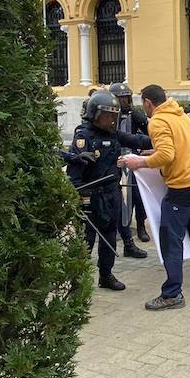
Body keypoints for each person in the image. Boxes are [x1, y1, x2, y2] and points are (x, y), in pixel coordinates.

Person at [120, 85, 190, 310]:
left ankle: (172, 294)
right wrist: (154, 152)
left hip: (183, 185)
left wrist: (139, 162)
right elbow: (180, 147)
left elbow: (168, 154)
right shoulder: (181, 115)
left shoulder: (158, 121)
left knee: (171, 237)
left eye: (143, 103)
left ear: (148, 102)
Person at [66, 91, 154, 290]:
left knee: (109, 237)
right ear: (95, 114)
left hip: (111, 193)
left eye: (113, 116)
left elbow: (137, 140)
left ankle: (105, 275)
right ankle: (76, 281)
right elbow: (74, 172)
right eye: (106, 115)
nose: (110, 120)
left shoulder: (114, 135)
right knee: (85, 241)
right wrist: (79, 196)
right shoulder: (83, 136)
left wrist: (163, 137)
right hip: (89, 196)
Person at [109, 82, 152, 248]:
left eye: (125, 98)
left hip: (132, 156)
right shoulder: (108, 114)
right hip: (114, 157)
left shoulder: (135, 114)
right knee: (118, 196)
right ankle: (122, 228)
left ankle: (141, 226)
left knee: (137, 195)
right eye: (119, 98)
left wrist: (146, 148)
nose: (123, 101)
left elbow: (149, 130)